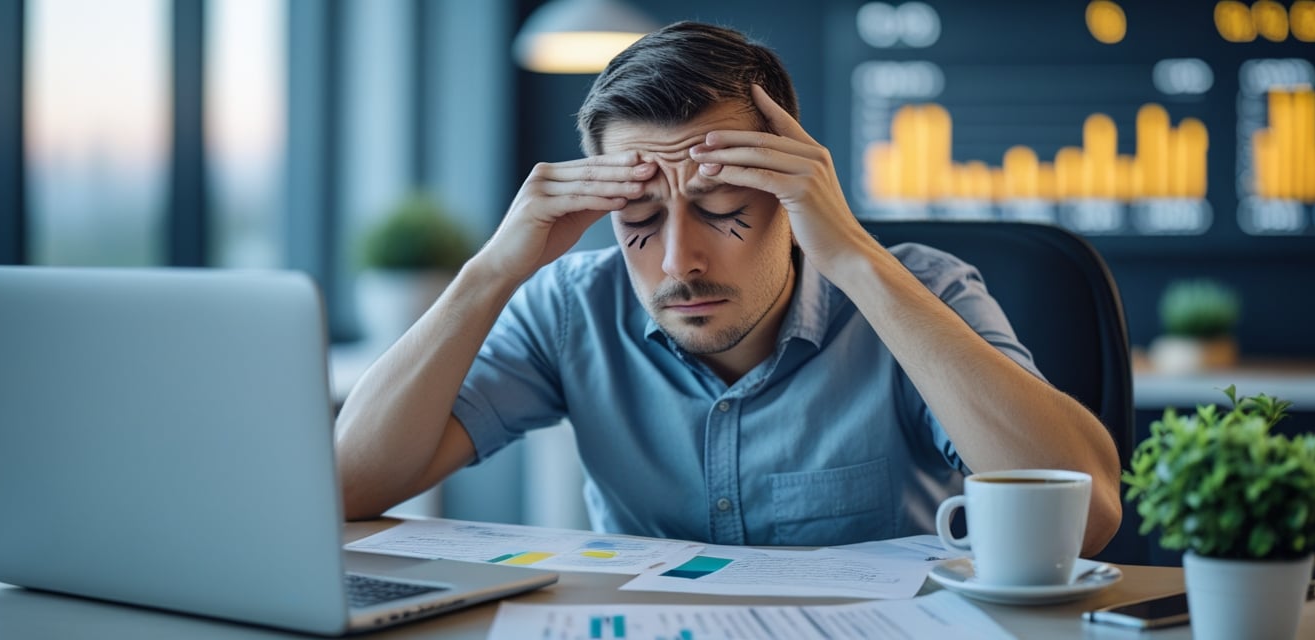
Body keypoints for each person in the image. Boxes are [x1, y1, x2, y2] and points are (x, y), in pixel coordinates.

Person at [335, 21, 1122, 554]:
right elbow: (347, 486)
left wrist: (850, 254)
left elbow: (1087, 517)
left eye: (720, 208)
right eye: (638, 215)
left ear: (792, 191)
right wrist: (492, 270)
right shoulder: (572, 305)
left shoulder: (921, 289)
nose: (679, 261)